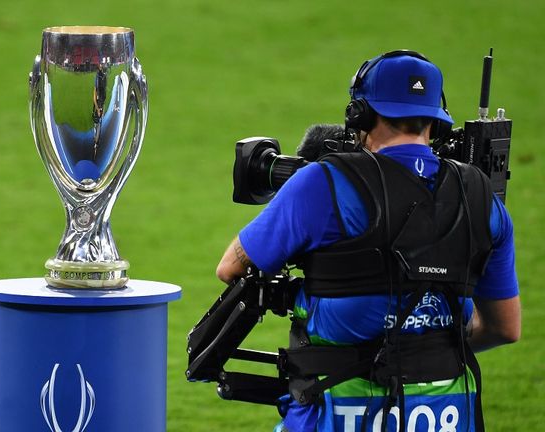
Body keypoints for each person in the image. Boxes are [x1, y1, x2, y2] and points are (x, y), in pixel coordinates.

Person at [216, 50, 520, 432]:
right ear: (435, 119)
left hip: (336, 412)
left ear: (358, 113)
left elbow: (231, 267)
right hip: (449, 415)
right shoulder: (482, 198)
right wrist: (421, 345)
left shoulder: (322, 183)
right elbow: (505, 328)